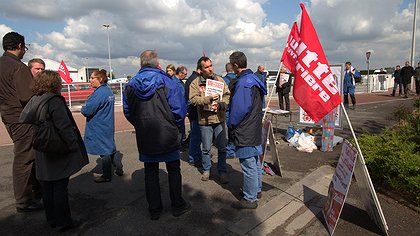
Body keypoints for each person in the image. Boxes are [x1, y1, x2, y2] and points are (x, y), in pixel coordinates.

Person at [123, 50, 191, 220]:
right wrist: (174, 125)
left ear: (141, 63)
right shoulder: (168, 82)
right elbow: (179, 110)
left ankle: (155, 209)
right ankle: (177, 205)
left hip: (146, 134)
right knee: (174, 170)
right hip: (168, 133)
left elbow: (128, 111)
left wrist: (140, 124)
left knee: (150, 172)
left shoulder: (131, 85)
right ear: (156, 63)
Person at [19, 70, 89, 231]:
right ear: (53, 83)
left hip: (42, 146)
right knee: (59, 186)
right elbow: (64, 126)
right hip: (57, 146)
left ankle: (51, 219)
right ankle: (64, 221)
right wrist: (73, 146)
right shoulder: (54, 100)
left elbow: (24, 118)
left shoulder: (35, 99)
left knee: (47, 187)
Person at [0, 31, 43, 213]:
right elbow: (27, 96)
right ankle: (24, 200)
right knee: (25, 158)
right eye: (25, 47)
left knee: (25, 155)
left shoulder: (2, 63)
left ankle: (33, 192)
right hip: (22, 118)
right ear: (19, 46)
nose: (25, 51)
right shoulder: (18, 67)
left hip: (8, 115)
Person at [228, 51, 266, 209]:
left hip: (245, 130)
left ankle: (250, 198)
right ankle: (256, 190)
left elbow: (239, 110)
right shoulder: (254, 79)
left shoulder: (244, 82)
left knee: (248, 164)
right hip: (254, 126)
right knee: (255, 161)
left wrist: (231, 124)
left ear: (236, 65)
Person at [189, 56, 230, 183]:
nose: (210, 69)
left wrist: (221, 104)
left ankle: (222, 171)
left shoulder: (219, 80)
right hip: (205, 122)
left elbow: (227, 95)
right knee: (206, 148)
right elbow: (193, 99)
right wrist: (208, 99)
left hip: (219, 119)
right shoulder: (195, 83)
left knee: (222, 148)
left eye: (211, 65)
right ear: (200, 69)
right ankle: (207, 170)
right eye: (206, 67)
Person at [81, 69, 123, 183]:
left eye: (92, 78)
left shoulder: (99, 93)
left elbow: (87, 110)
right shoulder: (108, 91)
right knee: (109, 147)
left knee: (104, 151)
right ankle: (118, 167)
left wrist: (83, 108)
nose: (90, 80)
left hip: (99, 125)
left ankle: (106, 175)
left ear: (99, 79)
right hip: (107, 124)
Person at [184, 67, 202, 166]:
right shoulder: (195, 80)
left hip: (192, 112)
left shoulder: (191, 79)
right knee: (195, 136)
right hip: (195, 112)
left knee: (196, 136)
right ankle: (193, 157)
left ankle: (196, 156)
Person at [223, 63, 236, 158]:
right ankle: (235, 146)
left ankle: (229, 149)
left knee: (227, 127)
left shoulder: (223, 80)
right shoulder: (239, 79)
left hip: (227, 107)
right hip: (237, 107)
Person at [173, 66, 188, 147]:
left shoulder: (180, 82)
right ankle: (178, 145)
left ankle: (180, 143)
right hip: (178, 109)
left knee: (181, 128)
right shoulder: (175, 83)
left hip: (180, 109)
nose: (186, 76)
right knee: (179, 128)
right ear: (180, 73)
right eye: (185, 74)